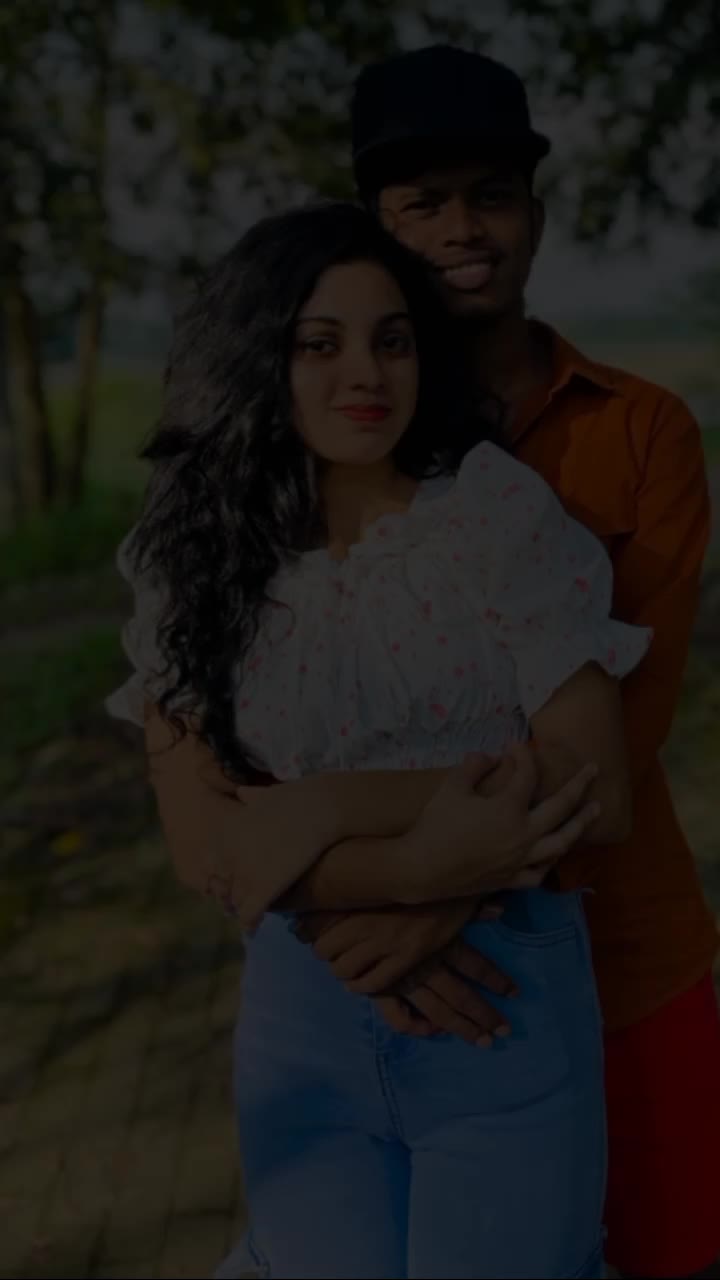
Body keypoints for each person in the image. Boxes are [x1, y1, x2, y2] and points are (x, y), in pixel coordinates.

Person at [107, 201, 651, 1278]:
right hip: (303, 1012)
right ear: (255, 357)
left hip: (499, 1008)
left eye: (392, 339)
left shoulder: (494, 514)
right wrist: (415, 869)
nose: (366, 373)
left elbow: (595, 782)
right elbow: (206, 847)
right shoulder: (189, 560)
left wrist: (324, 808)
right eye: (320, 343)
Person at [293, 44, 716, 1280]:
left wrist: (439, 883)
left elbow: (623, 731)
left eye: (491, 196)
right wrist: (369, 894)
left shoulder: (641, 430)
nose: (460, 230)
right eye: (420, 204)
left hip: (623, 947)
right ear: (373, 224)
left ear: (536, 211)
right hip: (386, 972)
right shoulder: (321, 449)